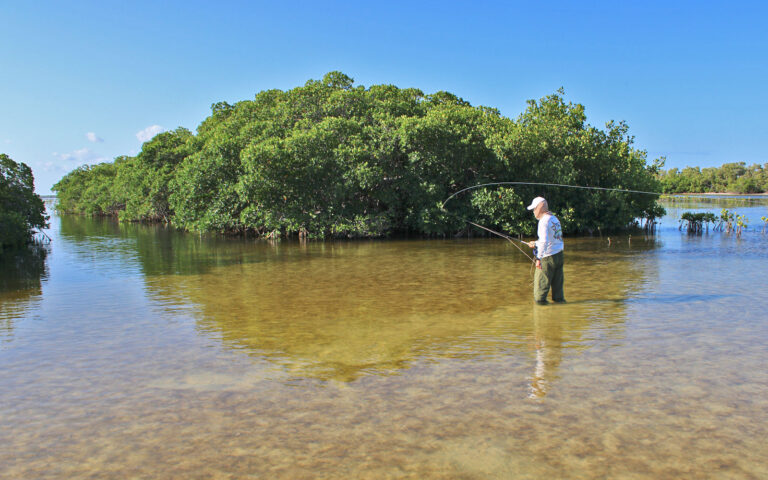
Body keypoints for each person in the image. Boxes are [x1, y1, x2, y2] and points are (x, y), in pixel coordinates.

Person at [526, 196, 565, 304]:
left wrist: (538, 258)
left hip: (547, 258)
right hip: (559, 256)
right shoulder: (554, 219)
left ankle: (542, 318)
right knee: (558, 296)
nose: (533, 212)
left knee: (539, 297)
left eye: (534, 209)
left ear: (540, 208)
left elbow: (544, 242)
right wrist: (536, 243)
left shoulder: (543, 221)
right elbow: (552, 239)